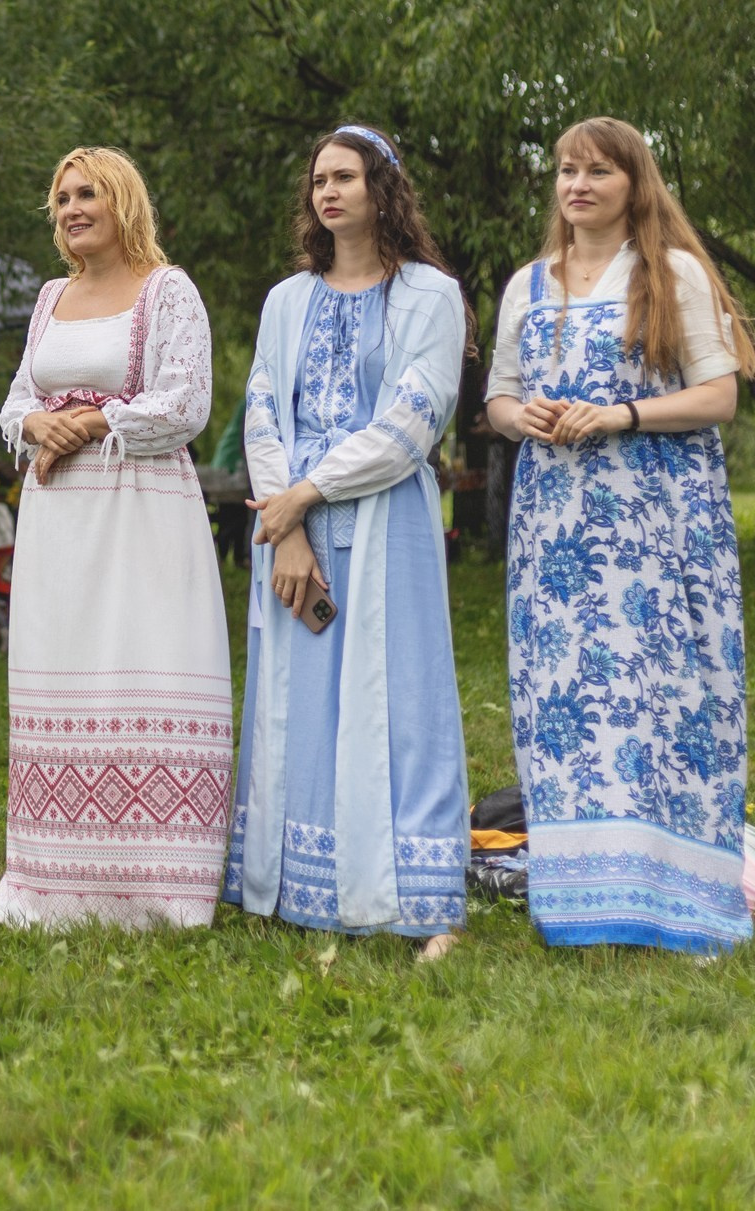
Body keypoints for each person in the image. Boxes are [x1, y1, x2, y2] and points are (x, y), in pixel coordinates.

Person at [485, 117, 755, 956]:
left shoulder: (673, 272)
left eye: (598, 171)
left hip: (655, 518)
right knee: (568, 694)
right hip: (556, 527)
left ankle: (672, 891)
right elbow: (498, 397)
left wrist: (619, 414)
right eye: (567, 170)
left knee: (656, 692)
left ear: (635, 184)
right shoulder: (528, 285)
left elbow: (719, 396)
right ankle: (581, 892)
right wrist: (524, 417)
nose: (578, 184)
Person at [238, 124, 471, 959]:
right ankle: (299, 881)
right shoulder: (286, 300)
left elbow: (413, 420)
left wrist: (305, 493)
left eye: (344, 176)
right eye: (318, 180)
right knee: (299, 696)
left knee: (400, 696)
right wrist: (288, 524)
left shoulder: (431, 295)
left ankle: (425, 901)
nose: (328, 191)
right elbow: (263, 408)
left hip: (385, 516)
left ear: (382, 186)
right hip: (290, 525)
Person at [0, 148, 232, 931]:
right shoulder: (50, 297)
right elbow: (17, 400)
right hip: (59, 517)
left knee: (142, 659)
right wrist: (39, 423)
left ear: (123, 200)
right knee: (61, 672)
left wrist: (91, 420)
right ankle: (52, 880)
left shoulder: (168, 290)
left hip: (141, 509)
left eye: (87, 193)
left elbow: (185, 403)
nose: (71, 208)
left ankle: (159, 885)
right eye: (61, 198)